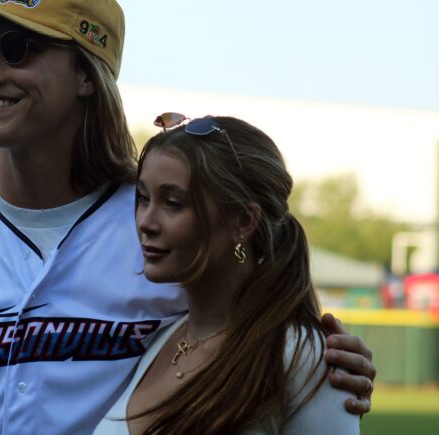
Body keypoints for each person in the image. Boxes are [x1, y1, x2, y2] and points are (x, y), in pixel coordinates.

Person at [0, 1, 376, 434]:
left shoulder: (164, 233)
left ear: (86, 74)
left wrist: (325, 363)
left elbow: (267, 327)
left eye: (18, 49)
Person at [93, 114, 360, 434]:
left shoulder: (299, 356)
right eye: (143, 199)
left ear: (244, 221)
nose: (145, 222)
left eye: (173, 203)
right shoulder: (158, 337)